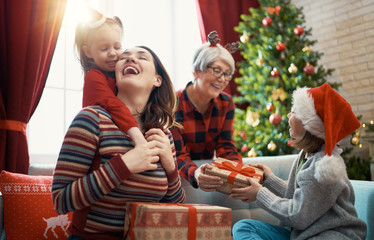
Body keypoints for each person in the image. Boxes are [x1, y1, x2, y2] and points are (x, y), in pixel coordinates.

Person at [52, 46, 186, 240]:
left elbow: (176, 207)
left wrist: (170, 167)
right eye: (125, 57)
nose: (131, 59)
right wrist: (124, 165)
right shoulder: (91, 119)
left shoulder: (163, 135)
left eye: (142, 57)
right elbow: (60, 201)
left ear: (157, 80)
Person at [231, 83, 367, 240]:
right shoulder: (305, 155)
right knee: (244, 227)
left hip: (331, 235)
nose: (289, 115)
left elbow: (297, 216)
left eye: (294, 112)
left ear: (309, 124)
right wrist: (269, 180)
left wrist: (260, 194)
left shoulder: (321, 168)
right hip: (304, 233)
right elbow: (299, 197)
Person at [170, 31, 242, 192]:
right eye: (216, 70)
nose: (222, 79)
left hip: (204, 177)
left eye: (226, 74)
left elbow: (226, 146)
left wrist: (239, 172)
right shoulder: (171, 104)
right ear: (196, 71)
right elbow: (177, 155)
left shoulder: (226, 103)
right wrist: (195, 173)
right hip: (180, 180)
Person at [75, 8, 146, 146]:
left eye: (117, 47)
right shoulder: (93, 77)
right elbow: (113, 105)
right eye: (104, 49)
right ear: (88, 51)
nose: (113, 53)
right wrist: (137, 136)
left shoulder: (121, 74)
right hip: (100, 142)